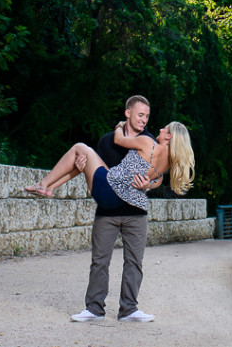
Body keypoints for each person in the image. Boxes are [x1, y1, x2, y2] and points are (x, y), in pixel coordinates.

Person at [24, 99, 195, 323]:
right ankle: (50, 187)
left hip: (110, 191)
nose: (155, 126)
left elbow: (119, 139)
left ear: (170, 136)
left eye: (163, 127)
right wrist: (149, 182)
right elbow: (156, 174)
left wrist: (119, 127)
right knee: (81, 156)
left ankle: (45, 184)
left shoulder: (146, 141)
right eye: (141, 115)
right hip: (113, 198)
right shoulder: (169, 161)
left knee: (78, 147)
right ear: (129, 113)